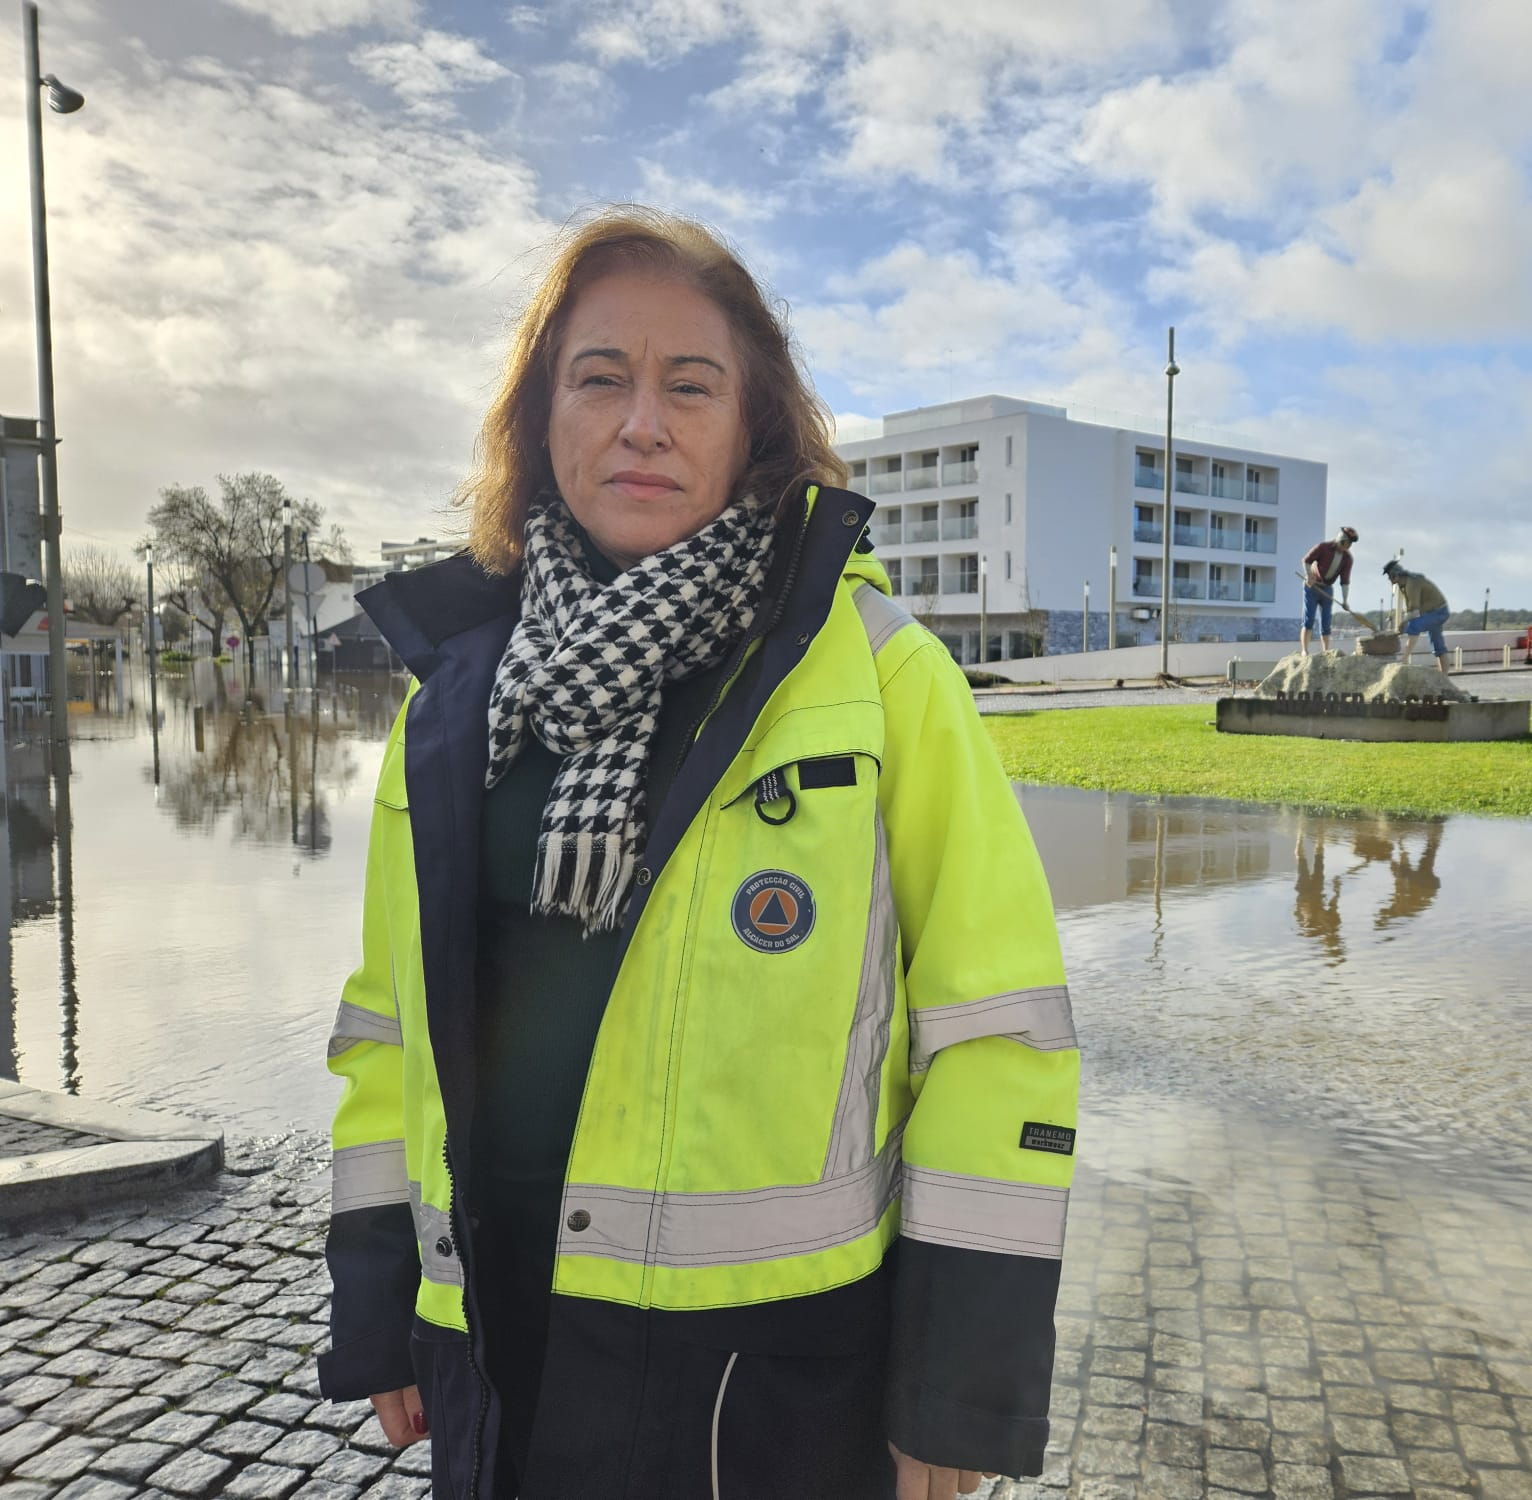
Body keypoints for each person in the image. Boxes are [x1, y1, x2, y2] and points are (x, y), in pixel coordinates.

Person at [317, 207, 1080, 1500]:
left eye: (691, 384)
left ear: (753, 427)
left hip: (769, 1384)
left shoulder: (885, 677)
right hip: (500, 1342)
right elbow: (389, 1035)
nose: (642, 422)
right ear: (538, 419)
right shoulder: (448, 702)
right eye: (599, 378)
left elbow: (996, 1042)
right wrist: (384, 1300)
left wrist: (955, 1389)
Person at [1384, 558, 1451, 674]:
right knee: (1438, 646)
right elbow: (1410, 609)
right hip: (1434, 612)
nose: (1392, 583)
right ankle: (1444, 677)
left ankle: (1404, 659)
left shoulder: (1412, 583)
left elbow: (1414, 612)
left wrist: (1402, 623)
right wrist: (1403, 622)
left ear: (1396, 575)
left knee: (1414, 625)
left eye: (1392, 579)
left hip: (1438, 611)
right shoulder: (1405, 585)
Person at [1299, 526, 1359, 655]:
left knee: (1326, 622)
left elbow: (1345, 581)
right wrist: (1309, 576)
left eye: (1349, 545)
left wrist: (1345, 600)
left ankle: (1325, 651)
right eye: (1346, 543)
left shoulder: (1347, 559)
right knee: (1308, 619)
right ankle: (1305, 650)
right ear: (1340, 539)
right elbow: (1306, 560)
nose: (1347, 547)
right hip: (1312, 587)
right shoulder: (1323, 547)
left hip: (1327, 589)